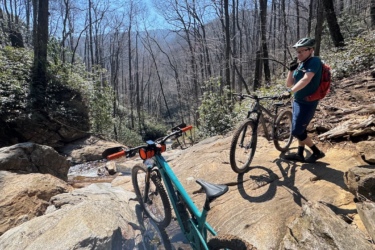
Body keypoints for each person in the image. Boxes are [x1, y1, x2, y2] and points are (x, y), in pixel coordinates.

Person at [284, 37, 325, 163]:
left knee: (296, 131)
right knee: (301, 128)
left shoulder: (314, 62)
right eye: (297, 51)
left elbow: (306, 79)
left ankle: (317, 152)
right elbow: (289, 84)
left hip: (308, 102)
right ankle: (300, 154)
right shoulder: (301, 63)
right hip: (298, 100)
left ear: (311, 50)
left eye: (302, 51)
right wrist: (291, 71)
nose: (299, 54)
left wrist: (290, 92)